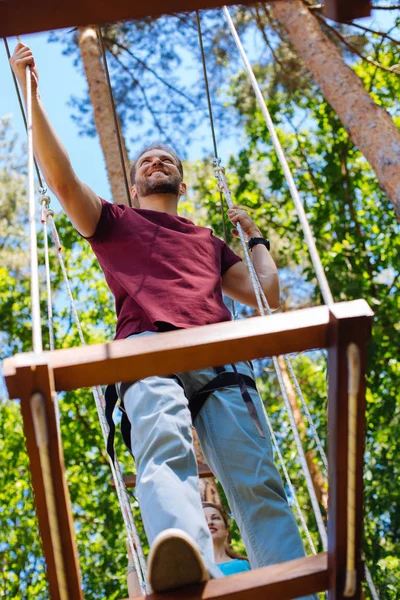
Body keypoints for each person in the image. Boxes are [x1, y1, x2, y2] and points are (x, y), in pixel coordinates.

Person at [11, 43, 314, 598]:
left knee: (258, 481)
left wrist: (254, 237)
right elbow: (62, 180)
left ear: (180, 179)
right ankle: (186, 561)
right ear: (133, 185)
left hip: (219, 359)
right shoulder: (116, 221)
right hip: (147, 349)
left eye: (167, 158)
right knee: (163, 447)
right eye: (146, 160)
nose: (158, 161)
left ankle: (294, 585)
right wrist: (33, 96)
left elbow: (264, 294)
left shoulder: (205, 239)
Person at [127, 502, 250, 597]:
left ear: (226, 531)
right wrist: (132, 558)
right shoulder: (185, 571)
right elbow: (137, 595)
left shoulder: (243, 565)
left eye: (215, 518)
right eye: (203, 519)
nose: (210, 522)